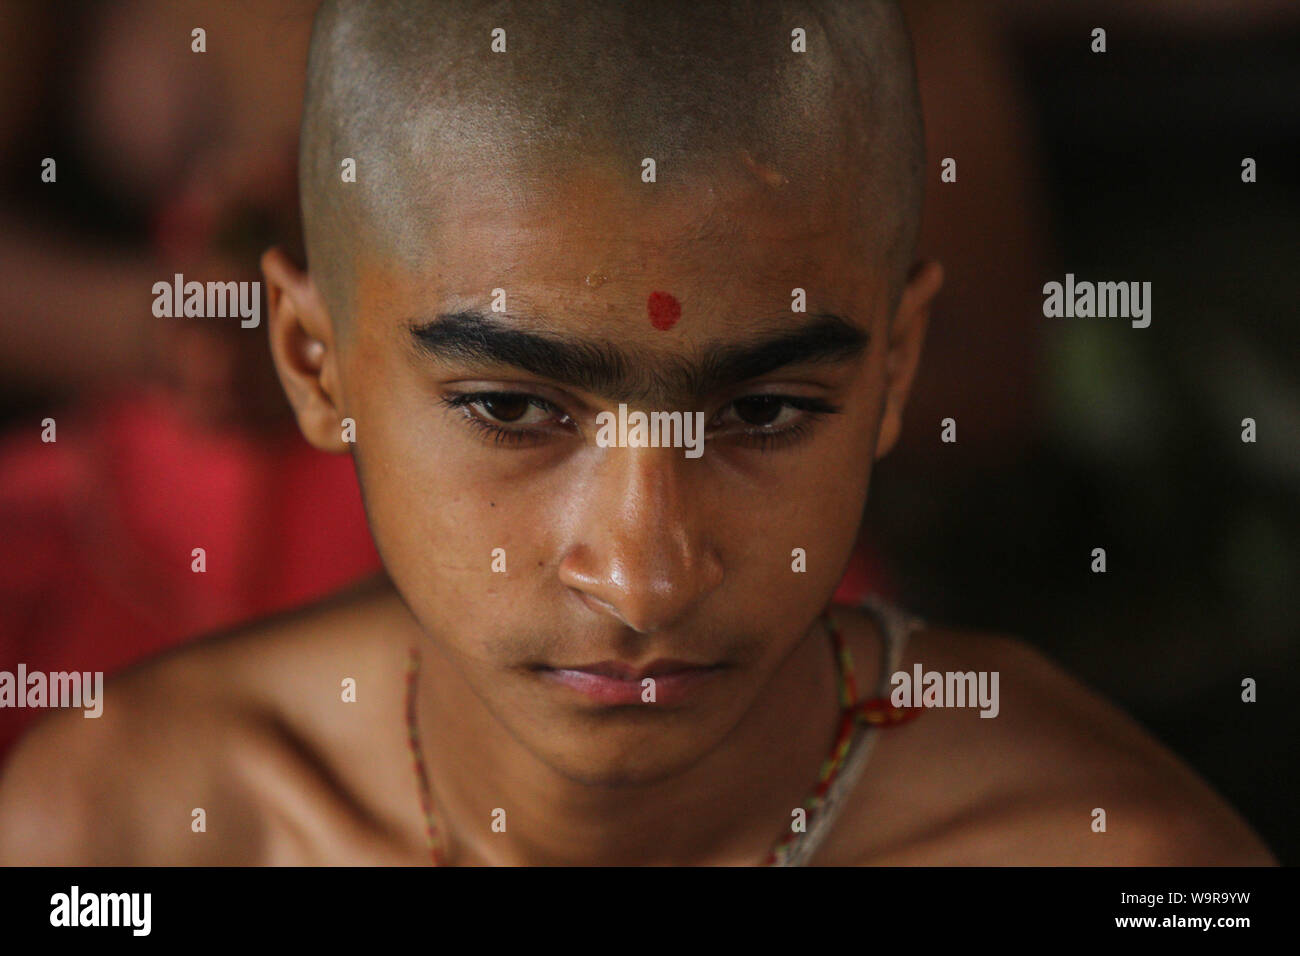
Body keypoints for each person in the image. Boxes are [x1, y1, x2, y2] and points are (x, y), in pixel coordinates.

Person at [0, 0, 1275, 866]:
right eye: (512, 408)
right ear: (311, 361)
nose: (645, 571)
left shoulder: (1122, 860)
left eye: (766, 411)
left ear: (891, 371)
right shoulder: (114, 832)